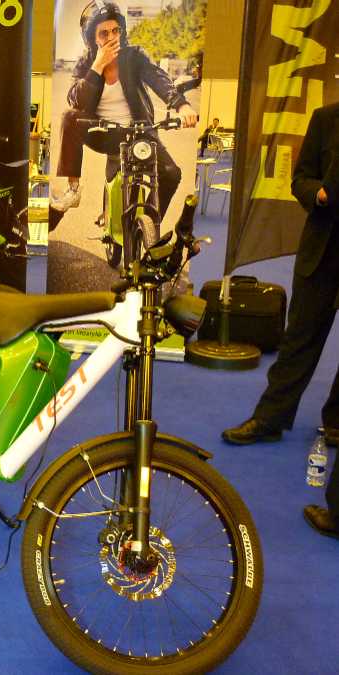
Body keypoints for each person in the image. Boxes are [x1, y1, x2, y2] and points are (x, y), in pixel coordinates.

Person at [222, 101, 339, 538]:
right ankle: (270, 419)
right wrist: (318, 194)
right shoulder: (326, 119)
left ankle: (335, 421)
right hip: (322, 252)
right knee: (298, 342)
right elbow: (301, 178)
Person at [51, 1, 197, 216]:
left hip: (138, 131)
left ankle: (147, 224)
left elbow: (157, 78)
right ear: (92, 38)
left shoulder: (134, 56)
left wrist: (181, 105)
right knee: (69, 116)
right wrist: (97, 66)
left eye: (115, 30)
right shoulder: (86, 63)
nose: (111, 37)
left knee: (171, 174)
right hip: (101, 132)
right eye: (103, 33)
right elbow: (76, 100)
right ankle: (73, 190)